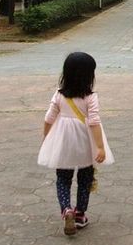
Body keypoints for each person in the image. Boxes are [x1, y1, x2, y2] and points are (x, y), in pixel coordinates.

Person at [38, 52, 114, 235]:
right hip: (84, 140)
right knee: (85, 178)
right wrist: (101, 147)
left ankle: (66, 210)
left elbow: (49, 118)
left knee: (63, 178)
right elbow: (94, 122)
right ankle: (80, 214)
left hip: (63, 141)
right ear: (89, 76)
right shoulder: (90, 97)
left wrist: (46, 138)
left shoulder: (58, 95)